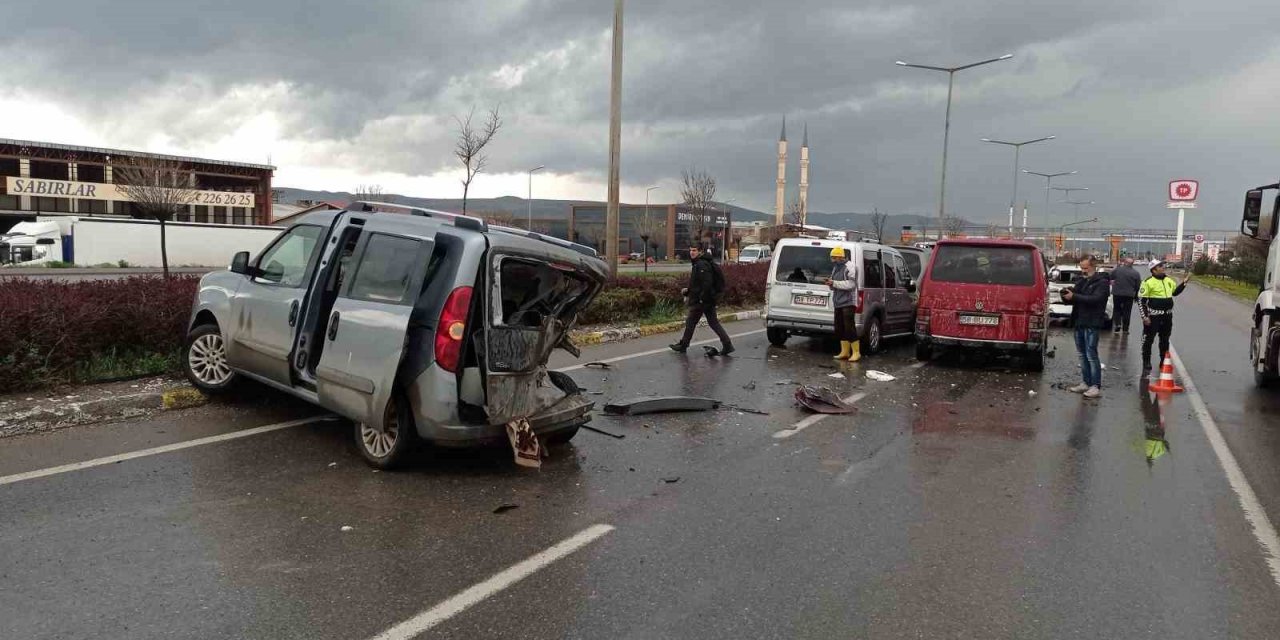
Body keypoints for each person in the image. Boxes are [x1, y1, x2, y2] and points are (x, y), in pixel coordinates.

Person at [670, 243, 734, 355]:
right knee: (712, 322)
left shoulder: (701, 264)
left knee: (691, 321)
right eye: (690, 250)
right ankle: (727, 344)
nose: (691, 252)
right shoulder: (700, 263)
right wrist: (688, 291)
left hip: (702, 300)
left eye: (694, 250)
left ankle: (683, 345)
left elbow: (707, 283)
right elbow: (697, 284)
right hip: (706, 299)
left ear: (700, 251)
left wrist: (701, 298)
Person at [1061, 255, 1110, 398]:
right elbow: (1075, 299)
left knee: (1091, 354)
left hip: (1092, 322)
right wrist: (1066, 295)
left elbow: (1096, 299)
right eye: (1081, 268)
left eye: (1085, 268)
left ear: (1093, 266)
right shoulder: (1082, 281)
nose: (1083, 271)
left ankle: (1095, 385)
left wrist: (1075, 297)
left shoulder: (1102, 282)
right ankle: (1085, 382)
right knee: (1082, 355)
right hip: (1079, 321)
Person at [1138, 260, 1190, 375]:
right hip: (1153, 316)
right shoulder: (1148, 282)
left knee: (1165, 340)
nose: (1163, 267)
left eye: (1162, 265)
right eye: (1160, 266)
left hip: (1167, 316)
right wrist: (1145, 317)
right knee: (1148, 340)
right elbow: (1141, 301)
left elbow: (1174, 292)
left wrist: (1184, 283)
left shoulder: (1168, 280)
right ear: (1154, 269)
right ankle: (1146, 362)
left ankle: (1163, 361)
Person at [823, 246, 860, 361]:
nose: (832, 260)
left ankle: (856, 352)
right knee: (839, 327)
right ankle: (844, 351)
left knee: (849, 327)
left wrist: (834, 283)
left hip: (849, 302)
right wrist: (831, 284)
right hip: (838, 301)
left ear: (840, 257)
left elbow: (851, 285)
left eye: (833, 257)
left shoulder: (850, 267)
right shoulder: (835, 268)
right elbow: (835, 285)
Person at [1110, 256, 1141, 334]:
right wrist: (1136, 296)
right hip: (1129, 295)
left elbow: (1110, 277)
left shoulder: (1117, 270)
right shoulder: (1136, 273)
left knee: (1117, 309)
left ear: (1124, 262)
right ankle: (1125, 329)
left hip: (1117, 293)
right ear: (1132, 264)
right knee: (1127, 311)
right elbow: (1138, 286)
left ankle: (1117, 324)